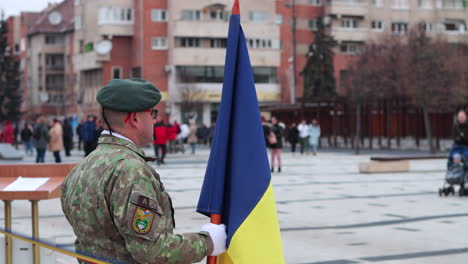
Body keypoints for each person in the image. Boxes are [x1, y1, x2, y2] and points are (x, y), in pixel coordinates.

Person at [61, 79, 226, 264]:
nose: (155, 119)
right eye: (152, 113)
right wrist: (207, 242)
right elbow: (153, 251)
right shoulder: (130, 171)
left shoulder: (82, 167)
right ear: (134, 119)